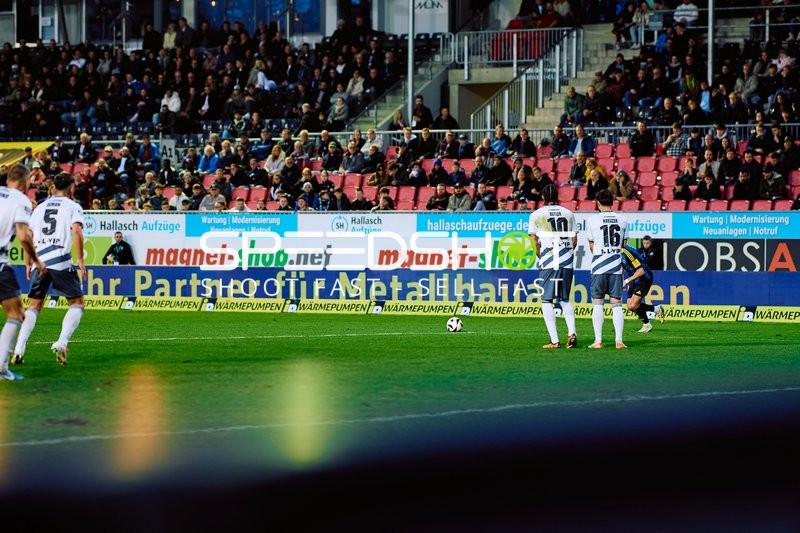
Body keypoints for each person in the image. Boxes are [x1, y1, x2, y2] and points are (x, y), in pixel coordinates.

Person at [12, 172, 85, 367]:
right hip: (60, 259)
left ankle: (19, 348)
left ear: (53, 188)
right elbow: (77, 230)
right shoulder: (73, 206)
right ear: (71, 188)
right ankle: (61, 342)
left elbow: (28, 235)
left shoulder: (40, 208)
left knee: (34, 306)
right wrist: (80, 259)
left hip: (39, 260)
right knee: (77, 303)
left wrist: (28, 262)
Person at [0, 165, 47, 380]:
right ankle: (1, 367)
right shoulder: (21, 200)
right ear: (26, 182)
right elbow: (23, 236)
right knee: (17, 314)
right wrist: (36, 260)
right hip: (1, 263)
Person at [529, 184, 578, 349]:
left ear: (543, 197)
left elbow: (534, 241)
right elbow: (574, 241)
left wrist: (541, 255)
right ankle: (572, 334)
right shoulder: (568, 213)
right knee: (565, 299)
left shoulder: (537, 214)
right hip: (567, 260)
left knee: (546, 300)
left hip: (549, 260)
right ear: (558, 196)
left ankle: (555, 340)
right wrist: (566, 254)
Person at [586, 189, 628, 349]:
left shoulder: (592, 220)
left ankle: (598, 341)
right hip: (616, 267)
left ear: (598, 203)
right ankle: (619, 341)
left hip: (598, 266)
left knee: (598, 303)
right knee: (616, 303)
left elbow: (591, 245)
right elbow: (624, 246)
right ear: (612, 202)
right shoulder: (622, 219)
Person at [622, 244, 665, 333]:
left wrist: (626, 281)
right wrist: (621, 281)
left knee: (633, 305)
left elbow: (641, 271)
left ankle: (647, 325)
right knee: (630, 307)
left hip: (644, 278)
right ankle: (657, 309)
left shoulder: (628, 252)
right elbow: (621, 266)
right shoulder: (617, 252)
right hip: (633, 278)